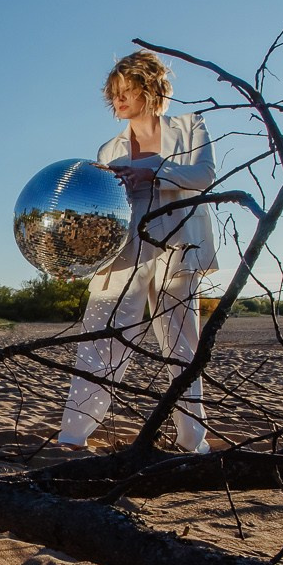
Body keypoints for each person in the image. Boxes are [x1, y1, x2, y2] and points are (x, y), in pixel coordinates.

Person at [56, 50, 218, 454]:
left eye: (128, 90)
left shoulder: (189, 126)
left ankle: (191, 441)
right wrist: (78, 257)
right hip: (121, 251)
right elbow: (98, 212)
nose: (120, 100)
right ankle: (73, 437)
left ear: (150, 88)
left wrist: (153, 171)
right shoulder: (108, 149)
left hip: (177, 244)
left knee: (182, 345)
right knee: (99, 339)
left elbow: (203, 176)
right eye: (114, 94)